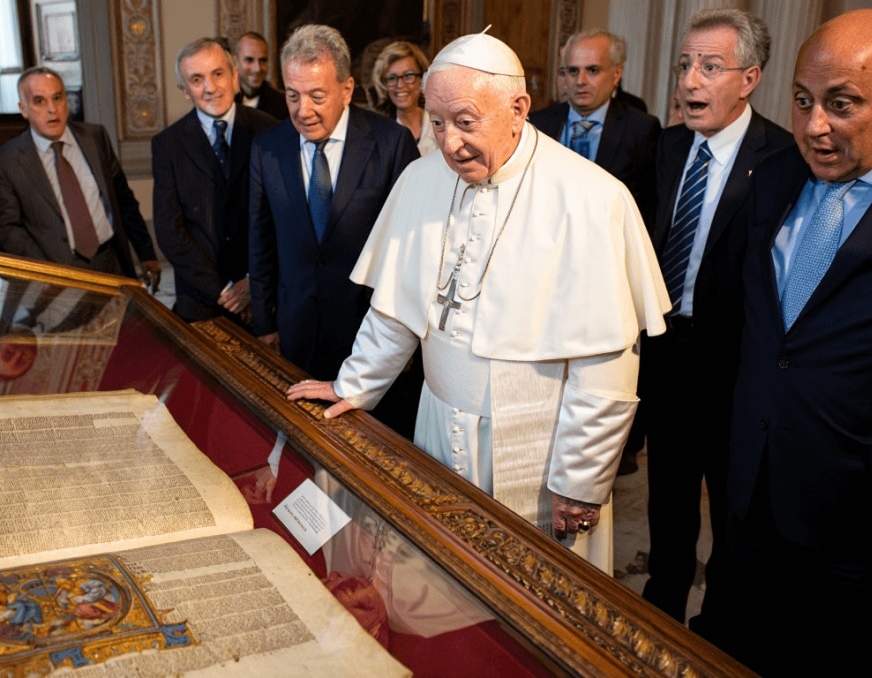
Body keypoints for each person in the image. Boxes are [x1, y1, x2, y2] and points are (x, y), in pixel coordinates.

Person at [287, 32, 670, 573]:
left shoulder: (592, 199)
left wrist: (580, 480)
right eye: (437, 123)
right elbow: (398, 309)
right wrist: (354, 383)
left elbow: (605, 361)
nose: (448, 144)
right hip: (438, 427)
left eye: (465, 122)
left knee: (542, 593)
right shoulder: (422, 179)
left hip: (538, 447)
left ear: (518, 109)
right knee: (444, 578)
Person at [694, 10, 872, 675]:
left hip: (866, 530)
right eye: (801, 100)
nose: (814, 126)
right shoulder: (776, 175)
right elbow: (748, 329)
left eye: (841, 104)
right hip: (749, 501)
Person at [638, 8, 793, 624]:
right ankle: (661, 609)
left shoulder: (782, 158)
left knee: (735, 509)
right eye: (684, 66)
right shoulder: (668, 144)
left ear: (749, 78)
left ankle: (723, 625)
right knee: (668, 497)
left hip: (738, 366)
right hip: (669, 350)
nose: (690, 82)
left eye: (709, 67)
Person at [248, 23, 420, 435]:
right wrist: (264, 323)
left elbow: (411, 248)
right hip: (296, 332)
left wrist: (407, 333)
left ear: (347, 89)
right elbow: (261, 240)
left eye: (317, 96)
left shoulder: (390, 143)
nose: (302, 110)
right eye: (292, 95)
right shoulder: (268, 148)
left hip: (369, 336)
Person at [0, 67, 161, 285]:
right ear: (24, 109)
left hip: (111, 262)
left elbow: (123, 199)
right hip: (58, 274)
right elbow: (8, 228)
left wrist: (146, 254)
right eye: (40, 101)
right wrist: (47, 273)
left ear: (66, 102)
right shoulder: (7, 160)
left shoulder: (94, 137)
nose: (52, 109)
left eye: (57, 98)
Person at [152, 38, 277, 325]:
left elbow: (284, 220)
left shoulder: (270, 131)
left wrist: (252, 281)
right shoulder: (167, 145)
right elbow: (170, 231)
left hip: (265, 297)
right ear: (185, 90)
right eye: (196, 80)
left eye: (218, 74)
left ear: (235, 77)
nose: (210, 88)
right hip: (200, 300)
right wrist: (223, 291)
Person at [531, 30, 661, 228]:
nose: (580, 81)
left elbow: (648, 209)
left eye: (592, 70)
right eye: (573, 71)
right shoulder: (538, 124)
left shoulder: (641, 129)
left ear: (617, 74)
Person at [371, 41, 436, 156]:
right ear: (384, 84)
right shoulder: (378, 134)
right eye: (392, 78)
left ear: (422, 78)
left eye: (408, 75)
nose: (400, 85)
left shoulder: (440, 125)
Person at [234, 32, 289, 120]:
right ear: (236, 61)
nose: (257, 69)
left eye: (262, 61)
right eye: (249, 60)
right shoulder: (225, 101)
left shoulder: (283, 103)